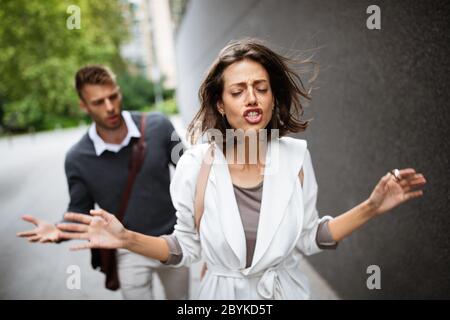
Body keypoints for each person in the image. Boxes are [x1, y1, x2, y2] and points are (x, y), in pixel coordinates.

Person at [55, 40, 427, 299]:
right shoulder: (195, 165)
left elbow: (310, 238)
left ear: (271, 96)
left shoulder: (297, 157)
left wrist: (372, 207)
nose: (251, 97)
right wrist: (126, 239)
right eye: (238, 91)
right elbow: (184, 248)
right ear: (220, 103)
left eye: (260, 87)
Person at [16, 65, 189, 300]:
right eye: (98, 102)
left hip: (173, 240)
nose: (110, 107)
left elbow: (191, 172)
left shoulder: (159, 125)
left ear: (119, 92)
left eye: (113, 96)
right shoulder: (77, 158)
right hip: (127, 248)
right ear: (84, 106)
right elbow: (78, 210)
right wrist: (58, 229)